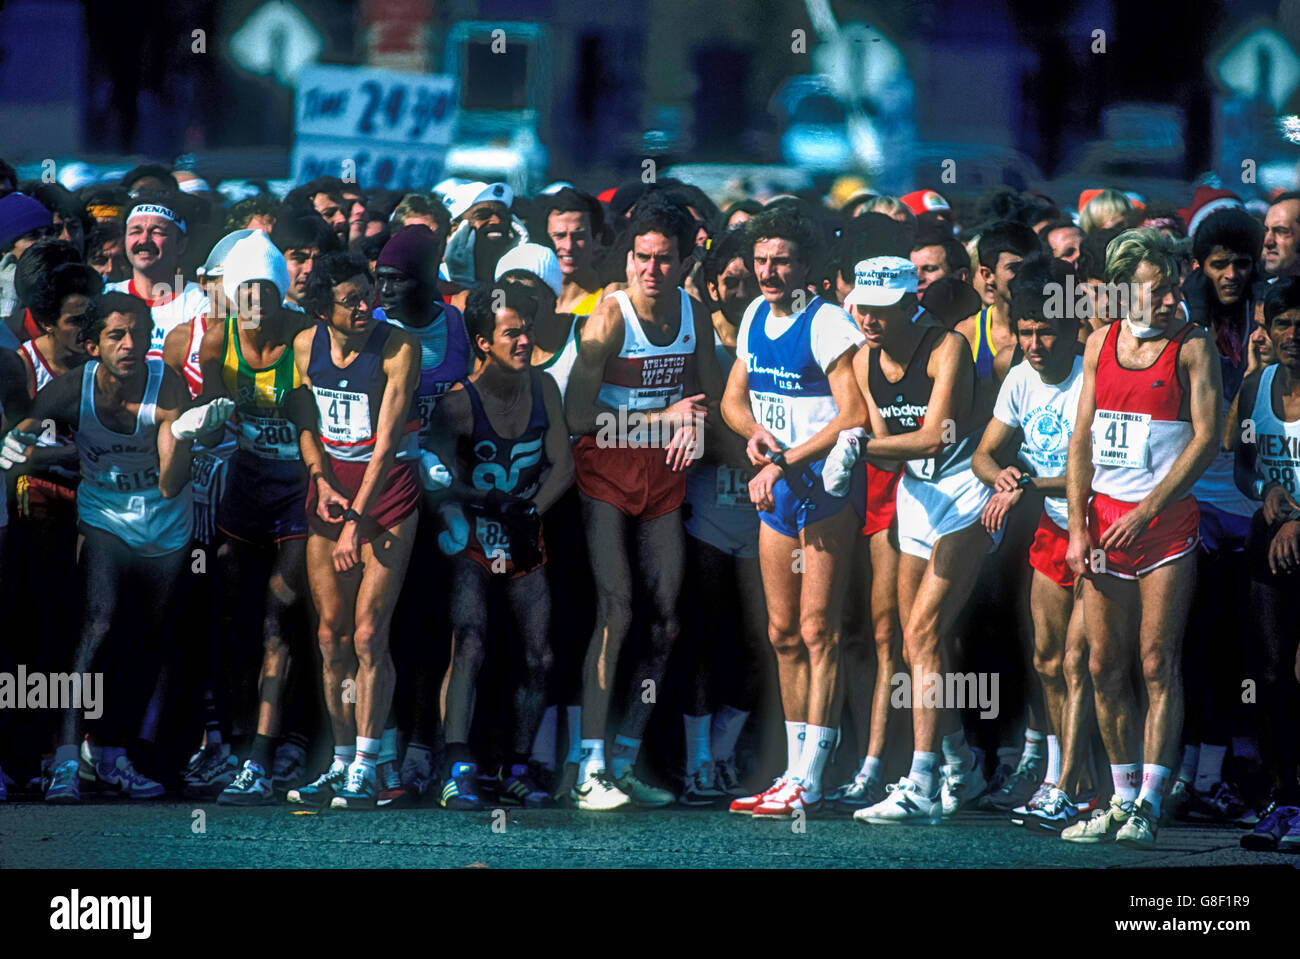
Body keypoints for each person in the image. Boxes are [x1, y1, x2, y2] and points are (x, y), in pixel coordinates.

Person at [1, 291, 232, 802]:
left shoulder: (166, 385)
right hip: (104, 519)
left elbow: (173, 485)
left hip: (166, 524)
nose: (129, 345)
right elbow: (20, 438)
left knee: (145, 639)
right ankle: (63, 760)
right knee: (97, 625)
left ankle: (110, 755)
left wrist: (187, 434)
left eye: (138, 335)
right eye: (115, 335)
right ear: (92, 345)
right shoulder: (69, 390)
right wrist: (15, 447)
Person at [1062, 228, 1223, 849]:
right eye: (1155, 290)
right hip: (1104, 526)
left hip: (1166, 527)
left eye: (1171, 286)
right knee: (1103, 665)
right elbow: (1081, 440)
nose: (1168, 298)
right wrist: (1079, 527)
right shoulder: (1099, 342)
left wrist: (1150, 507)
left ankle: (1151, 803)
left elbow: (1207, 437)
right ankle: (1121, 797)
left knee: (1157, 663)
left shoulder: (1193, 347)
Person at [564, 192, 725, 810]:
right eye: (640, 258)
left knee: (665, 622)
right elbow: (580, 418)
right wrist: (666, 419)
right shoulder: (609, 318)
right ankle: (588, 769)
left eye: (662, 260)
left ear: (685, 263)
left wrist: (702, 429)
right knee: (618, 611)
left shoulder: (694, 315)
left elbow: (709, 406)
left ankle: (625, 758)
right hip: (606, 470)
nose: (649, 271)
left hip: (663, 475)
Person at [824, 256, 997, 824]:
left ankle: (920, 779)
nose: (869, 320)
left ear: (908, 305)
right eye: (862, 310)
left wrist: (854, 451)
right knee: (916, 645)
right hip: (914, 498)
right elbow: (878, 433)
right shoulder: (861, 358)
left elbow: (929, 437)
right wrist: (859, 445)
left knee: (921, 633)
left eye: (880, 310)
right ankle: (959, 762)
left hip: (965, 491)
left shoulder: (948, 347)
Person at [719, 206, 867, 819]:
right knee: (782, 635)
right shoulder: (754, 314)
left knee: (818, 632)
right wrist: (754, 433)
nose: (768, 272)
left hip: (824, 489)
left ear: (806, 265)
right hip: (776, 490)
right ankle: (791, 769)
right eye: (760, 261)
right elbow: (733, 398)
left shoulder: (828, 322)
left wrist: (782, 460)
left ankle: (813, 775)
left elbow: (854, 415)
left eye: (781, 261)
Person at [425, 282, 574, 808]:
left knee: (540, 654)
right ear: (484, 342)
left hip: (524, 529)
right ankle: (456, 762)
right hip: (472, 532)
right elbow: (434, 476)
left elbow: (564, 463)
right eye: (512, 332)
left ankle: (516, 763)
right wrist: (483, 500)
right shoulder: (459, 402)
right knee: (469, 640)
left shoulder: (545, 389)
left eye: (527, 330)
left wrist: (530, 509)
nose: (524, 340)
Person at [285, 253, 421, 811]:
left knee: (368, 633)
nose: (367, 306)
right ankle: (340, 761)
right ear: (323, 310)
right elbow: (306, 421)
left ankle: (368, 762)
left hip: (385, 495)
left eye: (370, 295)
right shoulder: (304, 346)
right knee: (329, 636)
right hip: (331, 492)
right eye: (352, 300)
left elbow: (387, 445)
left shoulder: (397, 347)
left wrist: (355, 526)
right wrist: (319, 480)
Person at [187, 232, 314, 805]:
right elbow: (210, 423)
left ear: (281, 293)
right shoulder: (218, 342)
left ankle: (267, 753)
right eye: (247, 292)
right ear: (232, 296)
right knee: (231, 616)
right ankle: (233, 743)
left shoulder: (305, 339)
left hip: (297, 491)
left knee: (279, 615)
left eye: (266, 291)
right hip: (244, 486)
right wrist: (193, 425)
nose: (257, 304)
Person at [971, 257, 1097, 829]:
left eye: (1046, 331)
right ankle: (1054, 776)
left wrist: (1021, 481)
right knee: (1047, 660)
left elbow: (1089, 473)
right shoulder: (1020, 377)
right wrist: (999, 474)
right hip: (1050, 525)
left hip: (1097, 528)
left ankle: (1078, 782)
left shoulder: (1091, 376)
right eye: (1025, 331)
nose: (1035, 343)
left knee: (1081, 662)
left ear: (1072, 330)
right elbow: (982, 453)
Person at [374, 224, 472, 802]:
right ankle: (381, 749)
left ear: (427, 279)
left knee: (436, 627)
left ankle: (421, 747)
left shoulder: (458, 325)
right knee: (382, 625)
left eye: (396, 280)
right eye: (379, 278)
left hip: (447, 498)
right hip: (386, 493)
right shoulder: (374, 330)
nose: (383, 291)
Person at [679, 229, 766, 804]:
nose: (738, 292)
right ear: (710, 285)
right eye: (727, 281)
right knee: (703, 639)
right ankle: (695, 761)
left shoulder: (774, 333)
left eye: (746, 281)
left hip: (766, 516)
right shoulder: (697, 343)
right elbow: (698, 432)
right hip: (708, 511)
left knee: (759, 640)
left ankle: (728, 749)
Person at [1232, 277, 1300, 849]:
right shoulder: (1256, 385)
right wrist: (1264, 491)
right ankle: (1283, 800)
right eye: (1282, 324)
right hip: (1271, 549)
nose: (1293, 336)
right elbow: (1243, 465)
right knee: (1272, 675)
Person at [105, 193, 209, 362]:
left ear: (180, 244)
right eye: (135, 231)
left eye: (157, 232)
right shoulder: (107, 294)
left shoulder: (200, 302)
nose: (144, 240)